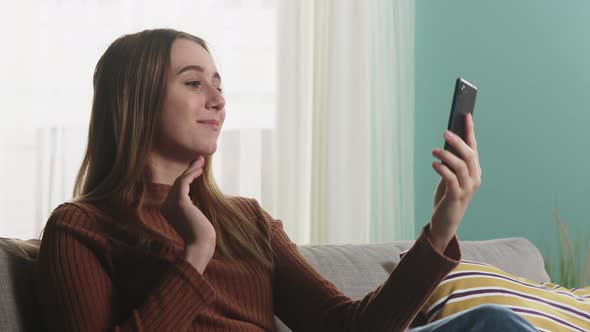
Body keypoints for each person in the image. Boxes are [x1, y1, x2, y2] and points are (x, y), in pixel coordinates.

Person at [35, 28, 537, 331]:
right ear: (135, 101)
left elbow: (349, 329)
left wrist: (443, 224)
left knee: (494, 324)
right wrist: (195, 255)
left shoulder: (246, 220)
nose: (217, 98)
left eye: (219, 84)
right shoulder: (82, 228)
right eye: (193, 83)